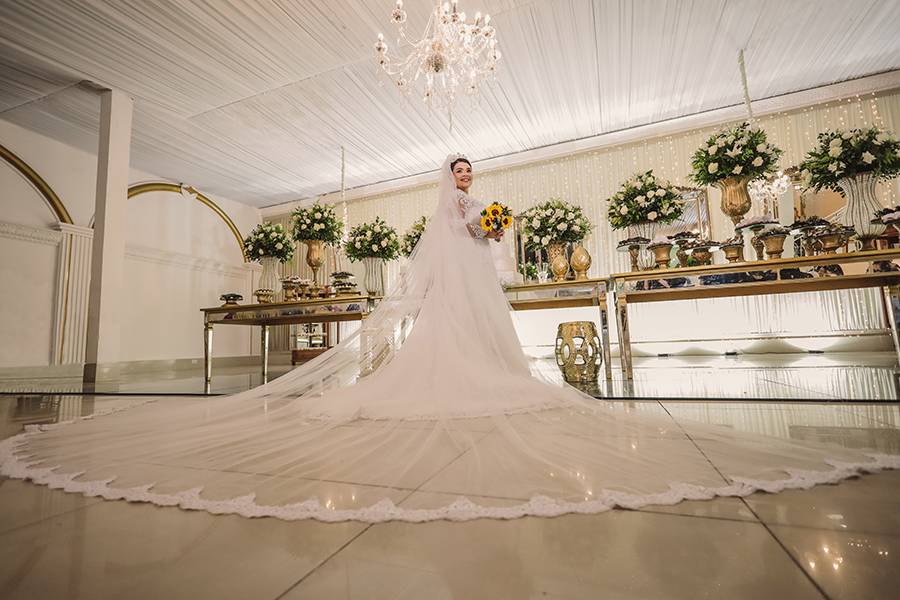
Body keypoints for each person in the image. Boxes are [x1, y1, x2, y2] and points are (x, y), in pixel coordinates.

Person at [1, 154, 897, 523]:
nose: (467, 180)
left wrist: (494, 231)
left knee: (490, 347)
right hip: (455, 290)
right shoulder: (446, 215)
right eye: (460, 171)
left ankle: (480, 376)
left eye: (472, 172)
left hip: (481, 291)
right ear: (449, 178)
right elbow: (449, 253)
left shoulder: (480, 210)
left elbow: (491, 244)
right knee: (451, 353)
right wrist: (475, 232)